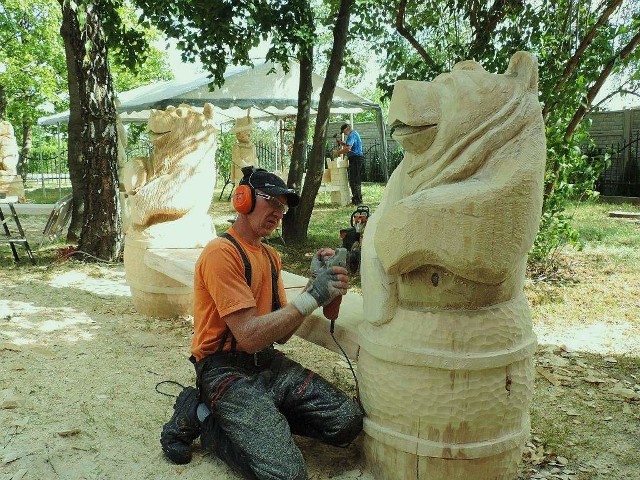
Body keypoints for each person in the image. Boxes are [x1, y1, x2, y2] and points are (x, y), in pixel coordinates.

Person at [160, 167, 364, 479]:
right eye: (273, 203)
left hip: (267, 364)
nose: (278, 214)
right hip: (224, 371)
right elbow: (249, 336)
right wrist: (311, 298)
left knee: (346, 420)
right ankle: (203, 416)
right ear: (244, 199)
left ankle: (259, 421)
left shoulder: (269, 256)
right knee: (286, 475)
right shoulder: (221, 253)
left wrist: (315, 286)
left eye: (282, 208)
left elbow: (279, 336)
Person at [332, 123, 364, 205]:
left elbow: (348, 148)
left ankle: (357, 200)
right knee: (354, 179)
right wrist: (341, 143)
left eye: (343, 132)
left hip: (355, 159)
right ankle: (356, 199)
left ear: (347, 129)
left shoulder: (352, 135)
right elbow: (348, 145)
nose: (344, 134)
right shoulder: (354, 134)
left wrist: (338, 152)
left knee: (354, 179)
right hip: (356, 158)